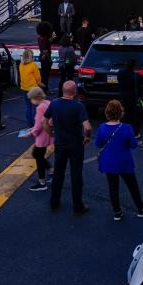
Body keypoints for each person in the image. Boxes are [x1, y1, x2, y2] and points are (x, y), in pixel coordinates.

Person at [43, 80, 91, 213]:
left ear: (63, 91)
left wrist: (50, 132)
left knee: (58, 173)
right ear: (74, 92)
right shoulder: (78, 105)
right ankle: (78, 205)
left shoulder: (54, 103)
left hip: (60, 143)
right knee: (76, 174)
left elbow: (44, 121)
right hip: (76, 144)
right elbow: (87, 127)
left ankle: (54, 202)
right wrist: (87, 136)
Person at [96, 99, 143, 220]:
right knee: (132, 186)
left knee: (113, 187)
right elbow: (134, 145)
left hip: (109, 162)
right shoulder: (126, 128)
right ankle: (141, 209)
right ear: (121, 113)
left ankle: (117, 212)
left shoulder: (102, 127)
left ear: (107, 113)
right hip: (124, 162)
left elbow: (98, 144)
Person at [25, 87, 52, 192]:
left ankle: (42, 182)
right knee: (37, 154)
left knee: (38, 156)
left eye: (31, 99)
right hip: (48, 133)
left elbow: (39, 124)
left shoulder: (40, 107)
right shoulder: (48, 103)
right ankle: (51, 170)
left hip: (42, 135)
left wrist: (32, 133)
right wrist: (33, 128)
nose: (31, 101)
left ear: (36, 98)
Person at [117, 59, 143, 133]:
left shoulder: (120, 73)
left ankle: (123, 130)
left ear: (126, 64)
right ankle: (135, 132)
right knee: (135, 116)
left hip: (123, 97)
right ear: (134, 66)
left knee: (124, 115)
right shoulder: (136, 76)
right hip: (134, 98)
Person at [18, 49, 42, 128]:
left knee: (28, 107)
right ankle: (36, 124)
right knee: (35, 107)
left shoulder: (21, 65)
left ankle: (30, 124)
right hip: (33, 88)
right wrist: (39, 83)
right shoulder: (33, 65)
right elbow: (38, 77)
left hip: (24, 88)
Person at [36, 21, 54, 93]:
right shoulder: (44, 39)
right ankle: (45, 89)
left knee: (44, 74)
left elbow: (47, 43)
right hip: (46, 57)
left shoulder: (40, 38)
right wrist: (50, 60)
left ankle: (44, 88)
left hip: (42, 56)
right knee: (46, 74)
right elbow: (45, 51)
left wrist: (52, 38)